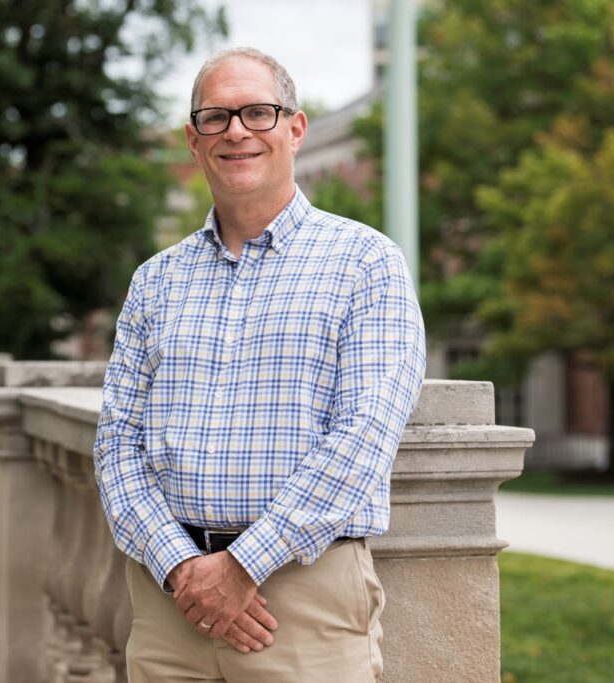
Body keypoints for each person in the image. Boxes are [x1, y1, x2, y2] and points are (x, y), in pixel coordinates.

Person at [93, 46, 426, 682]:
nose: (237, 131)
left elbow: (364, 436)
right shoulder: (155, 281)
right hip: (169, 603)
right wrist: (183, 568)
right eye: (215, 118)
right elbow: (116, 445)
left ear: (294, 129)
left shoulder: (365, 263)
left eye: (258, 113)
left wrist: (243, 566)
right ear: (194, 141)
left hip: (300, 598)